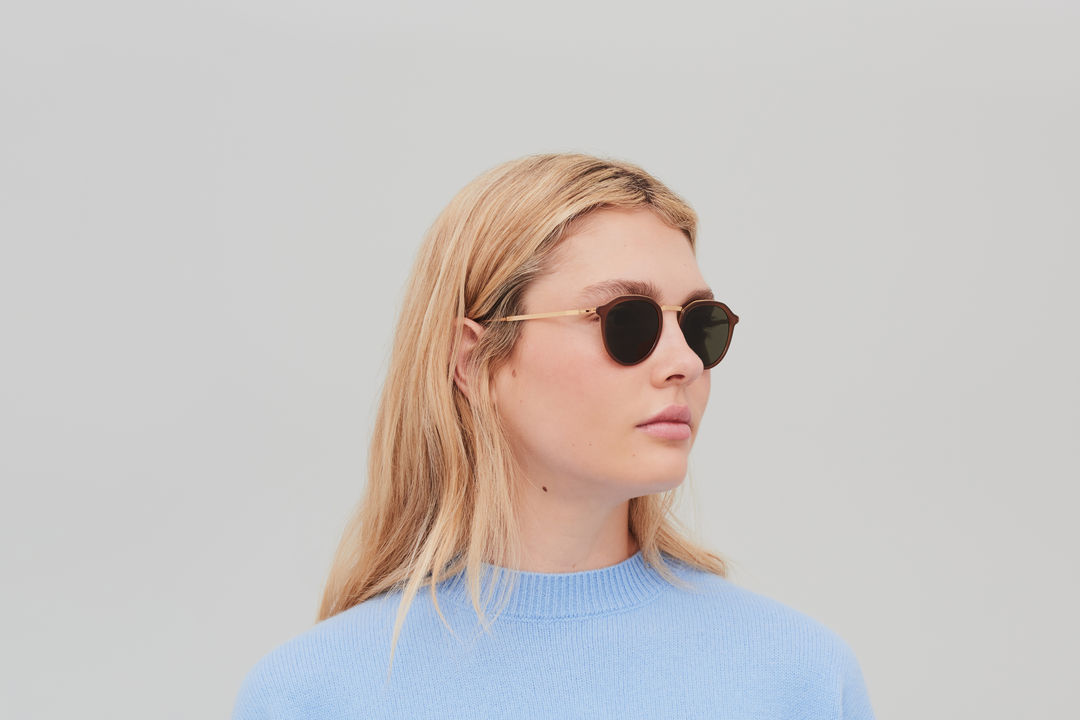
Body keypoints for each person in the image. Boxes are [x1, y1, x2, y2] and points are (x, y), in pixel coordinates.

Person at [231, 153, 876, 719]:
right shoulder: (310, 697)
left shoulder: (800, 678)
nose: (684, 361)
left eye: (700, 324)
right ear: (472, 362)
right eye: (627, 321)